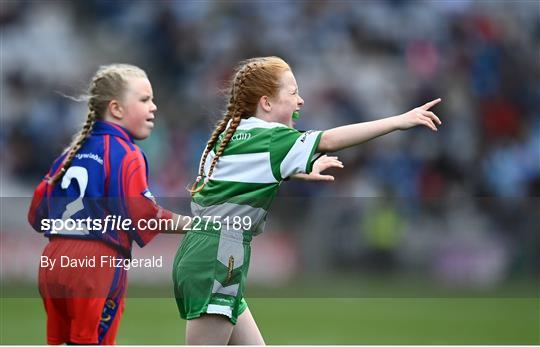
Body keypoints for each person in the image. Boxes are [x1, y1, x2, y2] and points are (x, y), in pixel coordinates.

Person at [172, 56, 442, 345]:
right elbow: (329, 140)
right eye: (292, 92)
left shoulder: (229, 134)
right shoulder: (271, 137)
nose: (300, 101)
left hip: (203, 250)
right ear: (266, 102)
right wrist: (398, 121)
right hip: (219, 255)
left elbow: (237, 177)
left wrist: (299, 171)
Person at [27, 64, 188, 345]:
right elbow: (144, 214)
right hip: (95, 265)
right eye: (144, 99)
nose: (154, 107)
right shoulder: (127, 154)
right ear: (116, 109)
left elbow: (36, 213)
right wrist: (198, 224)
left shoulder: (68, 154)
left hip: (52, 260)